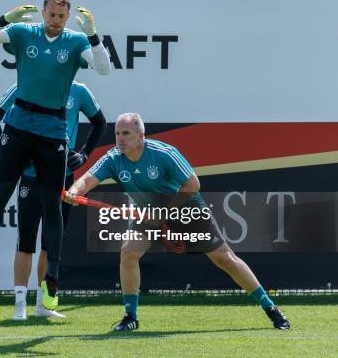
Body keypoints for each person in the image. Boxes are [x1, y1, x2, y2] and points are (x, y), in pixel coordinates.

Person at [65, 113, 291, 331]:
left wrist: (163, 213)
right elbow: (86, 180)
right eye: (117, 133)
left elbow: (193, 184)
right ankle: (130, 316)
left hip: (185, 208)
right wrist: (74, 191)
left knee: (226, 259)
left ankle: (270, 308)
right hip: (147, 214)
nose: (120, 139)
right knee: (129, 253)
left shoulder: (164, 153)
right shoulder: (113, 158)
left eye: (126, 133)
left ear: (141, 136)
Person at [0, 0, 111, 310]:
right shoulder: (24, 32)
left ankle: (52, 278)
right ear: (43, 12)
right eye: (51, 15)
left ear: (67, 16)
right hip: (19, 128)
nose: (55, 21)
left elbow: (103, 68)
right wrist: (6, 17)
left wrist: (92, 33)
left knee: (52, 206)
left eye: (61, 16)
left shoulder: (75, 42)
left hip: (52, 133)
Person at [0, 79, 106, 320]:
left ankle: (42, 305)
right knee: (26, 241)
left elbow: (100, 122)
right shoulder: (25, 84)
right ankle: (20, 305)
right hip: (30, 176)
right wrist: (13, 155)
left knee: (50, 243)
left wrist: (83, 155)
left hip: (62, 177)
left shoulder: (79, 91)